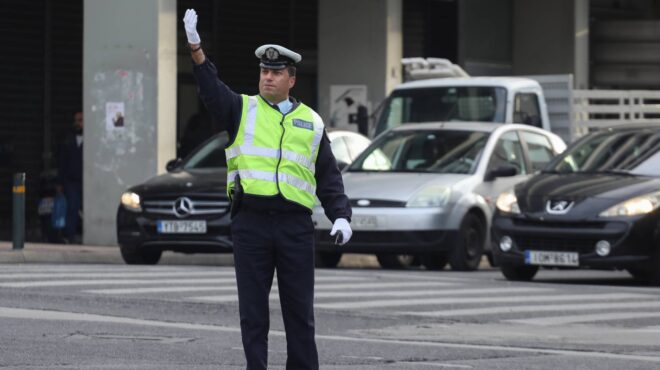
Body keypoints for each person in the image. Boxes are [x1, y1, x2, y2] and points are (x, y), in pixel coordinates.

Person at [183, 9, 353, 370]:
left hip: (294, 227)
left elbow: (328, 175)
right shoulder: (242, 109)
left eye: (276, 73)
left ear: (291, 79)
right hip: (252, 223)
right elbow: (212, 91)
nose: (268, 78)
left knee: (299, 314)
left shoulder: (311, 121)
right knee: (253, 314)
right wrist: (196, 50)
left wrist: (341, 216)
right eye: (264, 71)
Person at [57, 111, 83, 244]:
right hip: (71, 180)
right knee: (72, 207)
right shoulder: (68, 139)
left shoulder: (91, 139)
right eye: (76, 120)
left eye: (80, 120)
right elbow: (62, 162)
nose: (78, 123)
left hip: (87, 180)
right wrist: (60, 182)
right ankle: (70, 235)